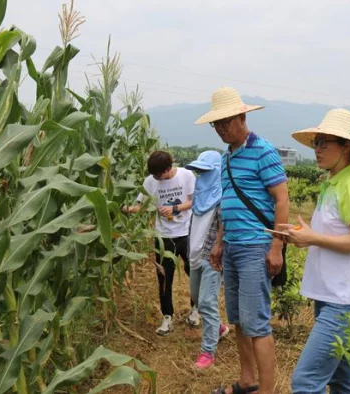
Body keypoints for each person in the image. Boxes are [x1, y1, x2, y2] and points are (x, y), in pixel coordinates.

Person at [194, 87, 289, 394]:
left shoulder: (263, 150)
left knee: (257, 323)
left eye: (226, 122)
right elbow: (227, 204)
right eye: (216, 124)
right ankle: (247, 380)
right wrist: (220, 242)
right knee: (238, 320)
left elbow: (282, 198)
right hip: (233, 246)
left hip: (255, 246)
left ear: (242, 116)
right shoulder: (226, 158)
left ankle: (266, 389)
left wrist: (276, 245)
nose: (221, 129)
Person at [283, 108, 350, 394]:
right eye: (316, 143)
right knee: (342, 380)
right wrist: (306, 236)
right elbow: (333, 234)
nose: (318, 149)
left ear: (346, 147)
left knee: (305, 381)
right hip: (330, 296)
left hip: (343, 301)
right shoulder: (332, 183)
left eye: (325, 143)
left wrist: (313, 238)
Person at [124, 150, 199, 335]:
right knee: (164, 278)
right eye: (154, 175)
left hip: (187, 233)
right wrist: (127, 209)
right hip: (163, 236)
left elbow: (194, 201)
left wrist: (175, 207)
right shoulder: (150, 181)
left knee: (195, 274)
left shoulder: (186, 175)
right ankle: (167, 317)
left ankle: (196, 309)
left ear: (169, 168)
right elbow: (142, 206)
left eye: (160, 175)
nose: (156, 178)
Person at [184, 150, 230, 369]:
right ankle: (219, 327)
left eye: (205, 172)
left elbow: (224, 227)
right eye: (199, 172)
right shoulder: (199, 195)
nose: (201, 177)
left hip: (211, 257)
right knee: (196, 297)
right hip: (195, 254)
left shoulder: (223, 198)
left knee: (206, 302)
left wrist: (218, 248)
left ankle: (207, 352)